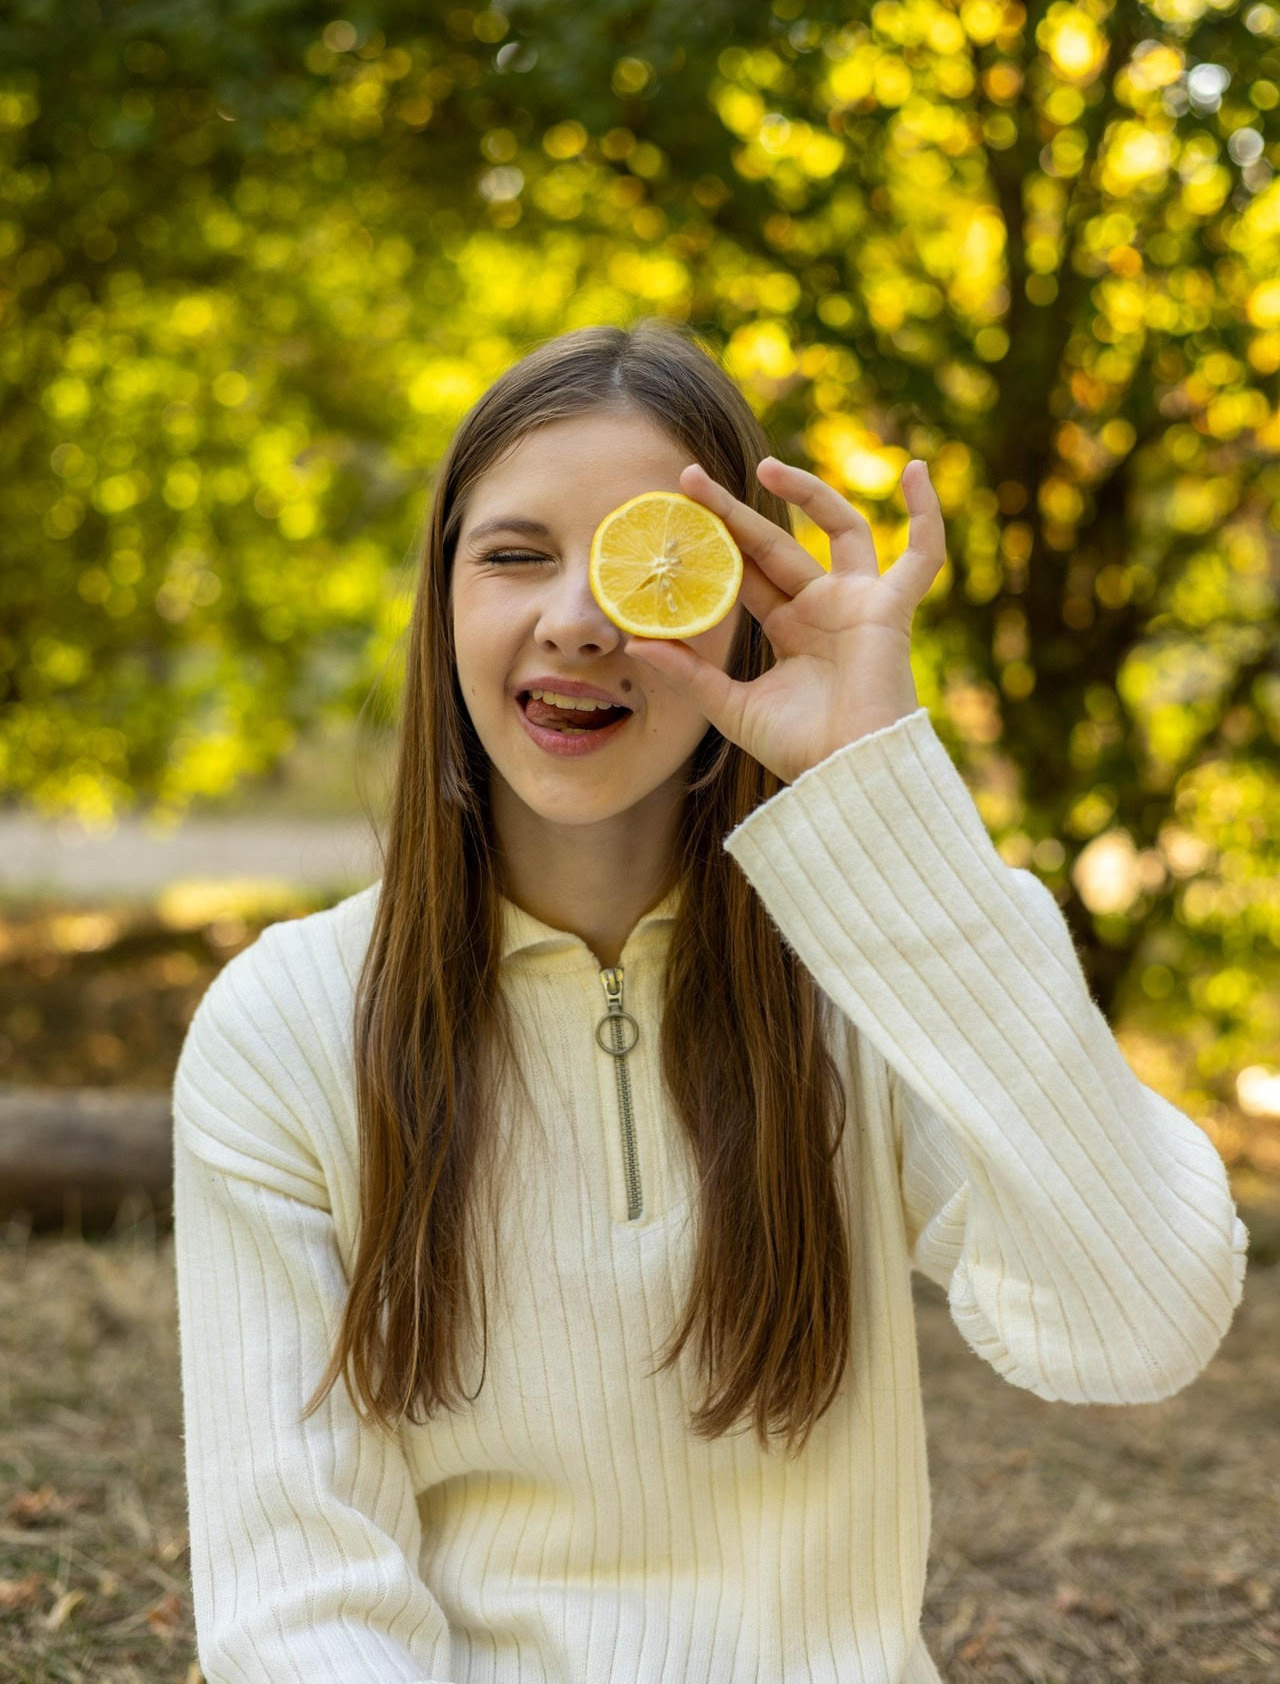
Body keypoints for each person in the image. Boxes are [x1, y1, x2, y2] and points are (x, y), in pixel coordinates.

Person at [172, 319, 1247, 1684]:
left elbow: (1140, 1323)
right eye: (514, 555)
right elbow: (302, 1610)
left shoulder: (881, 965)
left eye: (646, 563)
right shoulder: (283, 1028)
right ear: (444, 599)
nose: (577, 617)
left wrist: (879, 798)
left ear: (741, 611)